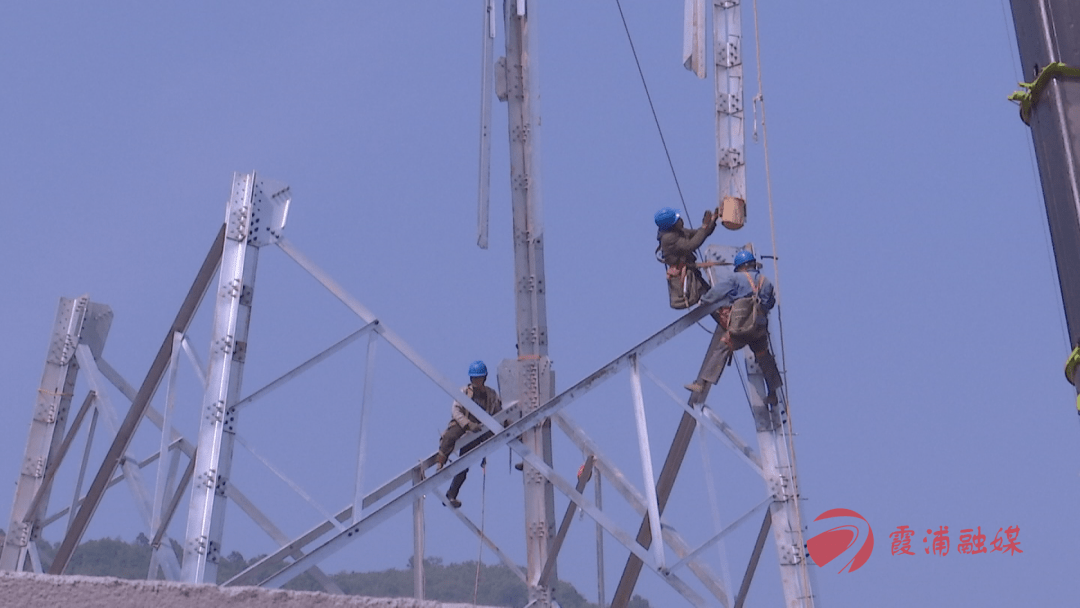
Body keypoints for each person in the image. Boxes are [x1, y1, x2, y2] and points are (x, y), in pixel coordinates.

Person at [685, 249, 783, 406]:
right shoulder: (766, 282)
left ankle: (701, 383)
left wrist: (704, 300)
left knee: (721, 349)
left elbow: (717, 292)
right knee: (765, 358)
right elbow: (769, 304)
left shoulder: (736, 279)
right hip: (758, 330)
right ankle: (772, 394)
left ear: (740, 266)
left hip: (739, 329)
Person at [435, 360, 502, 508]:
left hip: (479, 431)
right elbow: (456, 411)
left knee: (464, 465)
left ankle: (451, 495)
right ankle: (440, 463)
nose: (476, 381)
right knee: (450, 437)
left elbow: (498, 413)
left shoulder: (491, 395)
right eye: (474, 379)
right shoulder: (464, 392)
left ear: (484, 378)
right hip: (463, 425)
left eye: (479, 378)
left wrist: (494, 426)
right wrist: (467, 424)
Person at [655, 206, 718, 308]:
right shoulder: (669, 238)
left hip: (690, 272)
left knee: (711, 295)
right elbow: (691, 245)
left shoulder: (676, 231)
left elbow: (698, 234)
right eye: (677, 219)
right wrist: (704, 227)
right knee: (706, 297)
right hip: (685, 275)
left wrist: (711, 222)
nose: (680, 220)